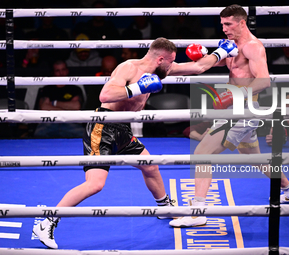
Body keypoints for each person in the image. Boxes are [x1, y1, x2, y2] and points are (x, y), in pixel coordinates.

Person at [33, 37, 239, 248]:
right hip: (103, 126)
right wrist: (136, 88)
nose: (172, 66)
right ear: (160, 59)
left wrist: (221, 53)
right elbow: (106, 94)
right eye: (171, 61)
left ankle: (164, 207)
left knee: (150, 166)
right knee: (95, 184)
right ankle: (48, 221)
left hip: (122, 129)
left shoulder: (161, 70)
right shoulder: (129, 67)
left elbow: (197, 67)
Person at [169, 4, 289, 228]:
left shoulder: (253, 47)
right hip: (236, 109)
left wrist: (233, 96)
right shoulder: (231, 45)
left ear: (242, 22)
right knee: (254, 156)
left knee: (202, 153)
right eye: (222, 24)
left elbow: (264, 80)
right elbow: (204, 66)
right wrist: (171, 68)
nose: (224, 29)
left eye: (229, 24)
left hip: (243, 109)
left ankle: (198, 212)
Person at [33, 60, 85, 138]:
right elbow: (44, 107)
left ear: (67, 71)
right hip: (50, 122)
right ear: (53, 73)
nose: (61, 73)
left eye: (63, 69)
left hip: (70, 123)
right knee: (38, 134)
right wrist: (67, 110)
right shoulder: (47, 89)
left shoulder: (75, 89)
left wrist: (54, 103)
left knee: (85, 136)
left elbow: (76, 106)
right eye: (57, 71)